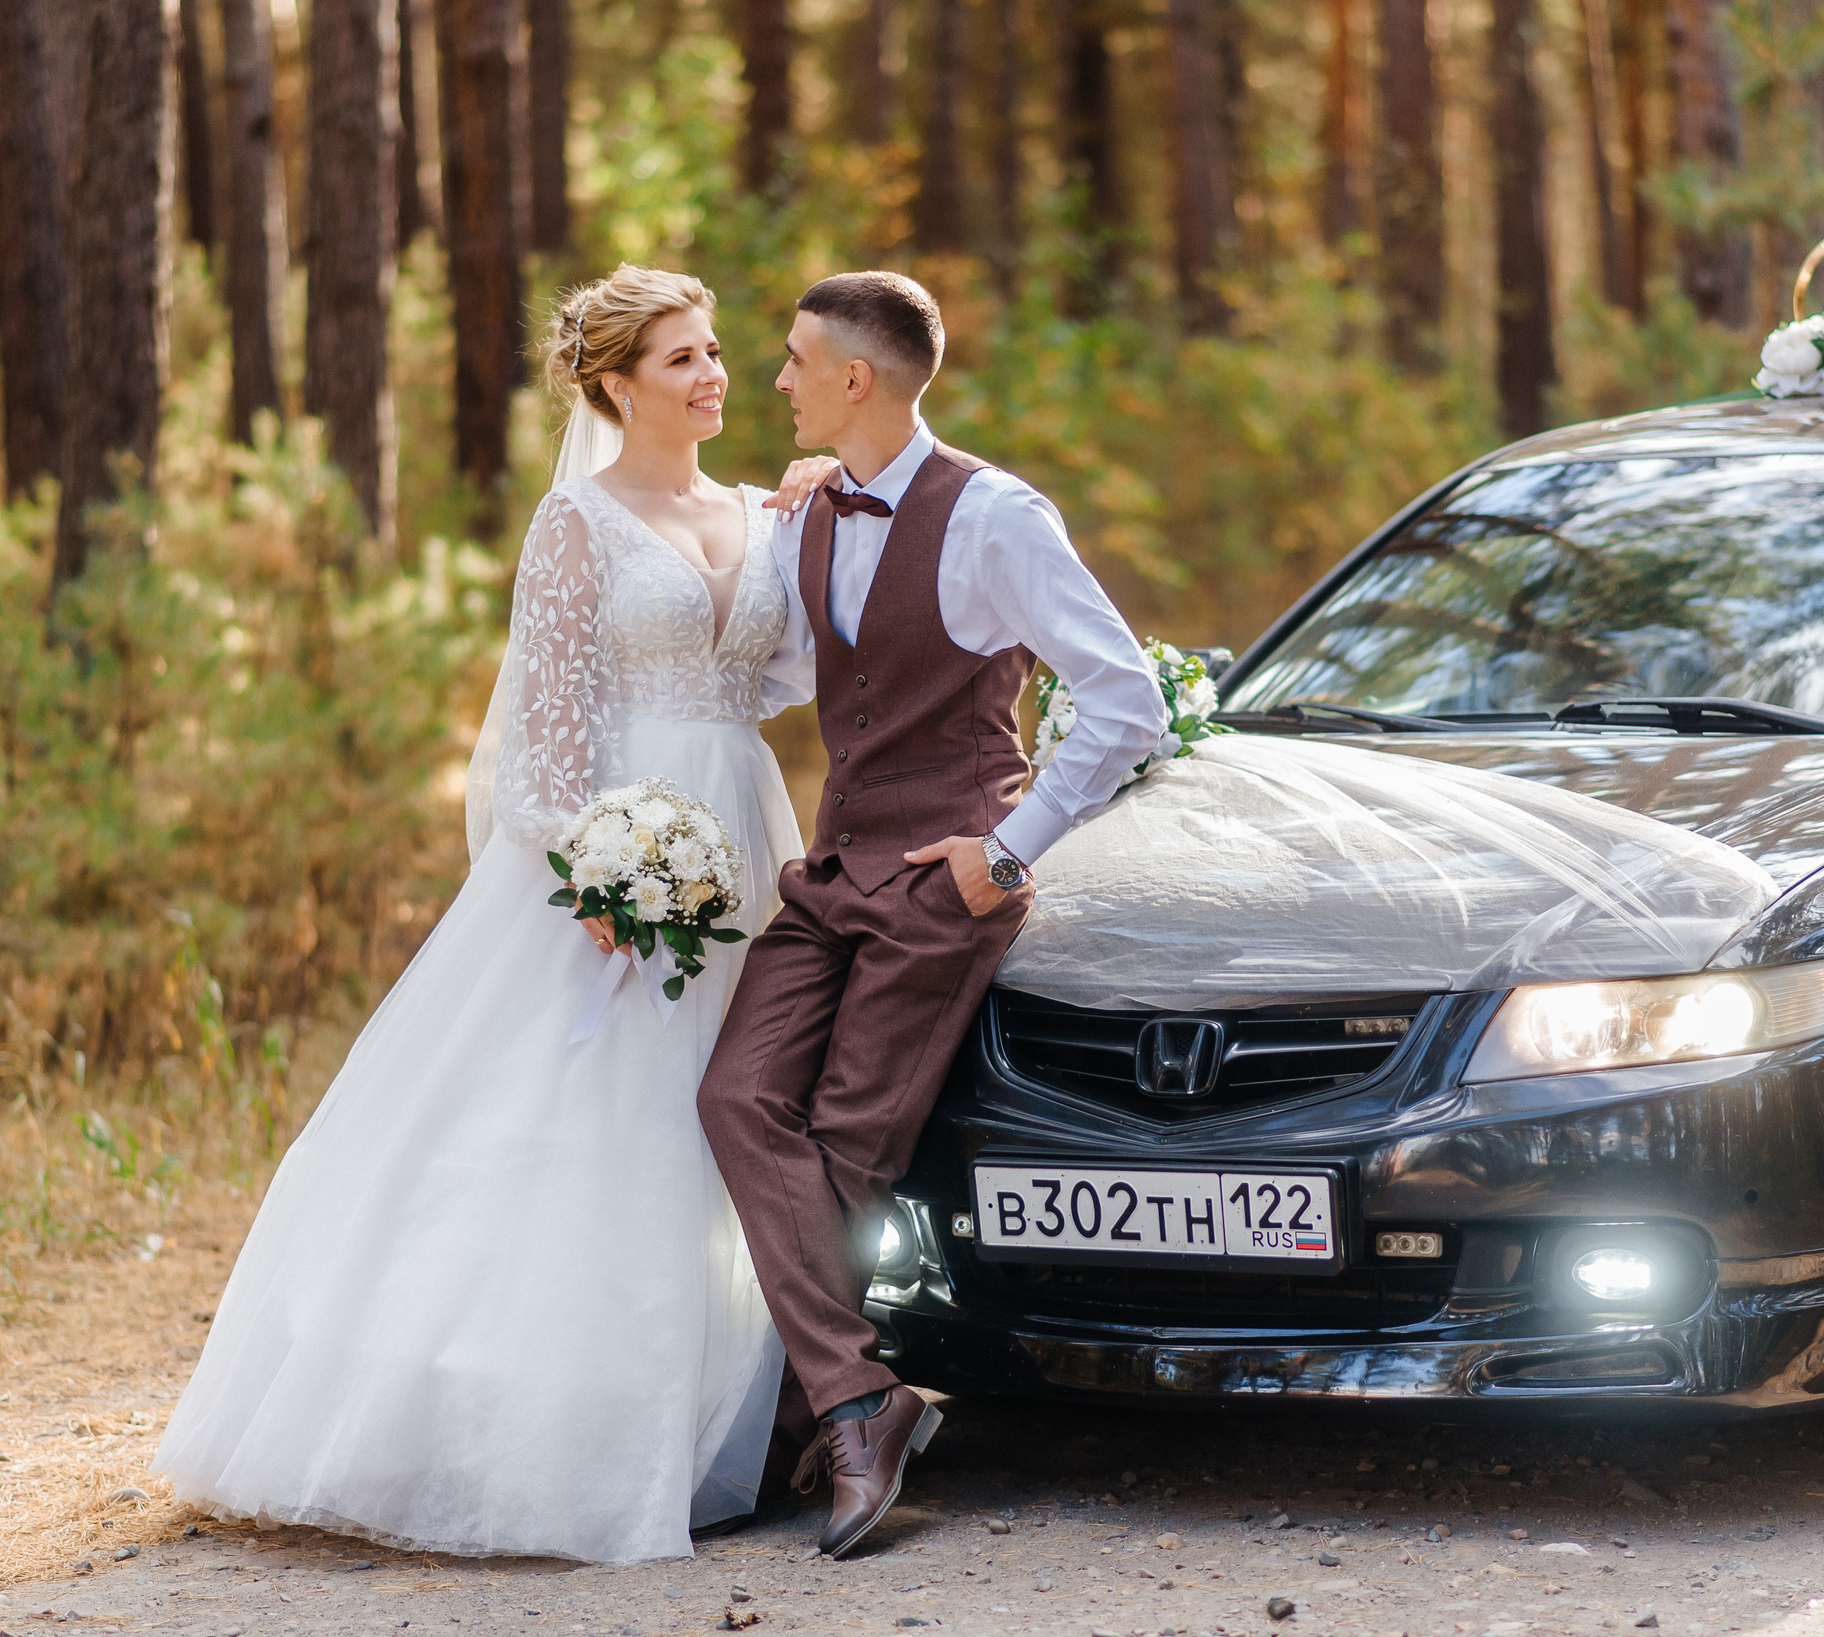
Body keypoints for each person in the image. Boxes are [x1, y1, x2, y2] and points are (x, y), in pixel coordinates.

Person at [150, 265, 836, 1564]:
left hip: (740, 828)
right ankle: (536, 1437)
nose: (713, 376)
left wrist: (811, 518)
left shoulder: (759, 511)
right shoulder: (577, 524)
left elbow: (788, 673)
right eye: (681, 359)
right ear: (615, 384)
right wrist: (603, 874)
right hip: (618, 852)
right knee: (588, 1118)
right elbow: (543, 729)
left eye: (713, 352)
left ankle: (719, 1418)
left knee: (725, 1119)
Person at [698, 272, 1168, 1559]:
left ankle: (810, 1427)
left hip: (943, 876)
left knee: (847, 1139)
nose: (776, 381)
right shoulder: (812, 510)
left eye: (795, 361)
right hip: (836, 863)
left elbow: (1127, 700)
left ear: (858, 378)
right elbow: (799, 681)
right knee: (736, 1097)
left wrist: (1007, 851)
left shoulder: (996, 516)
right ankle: (863, 1397)